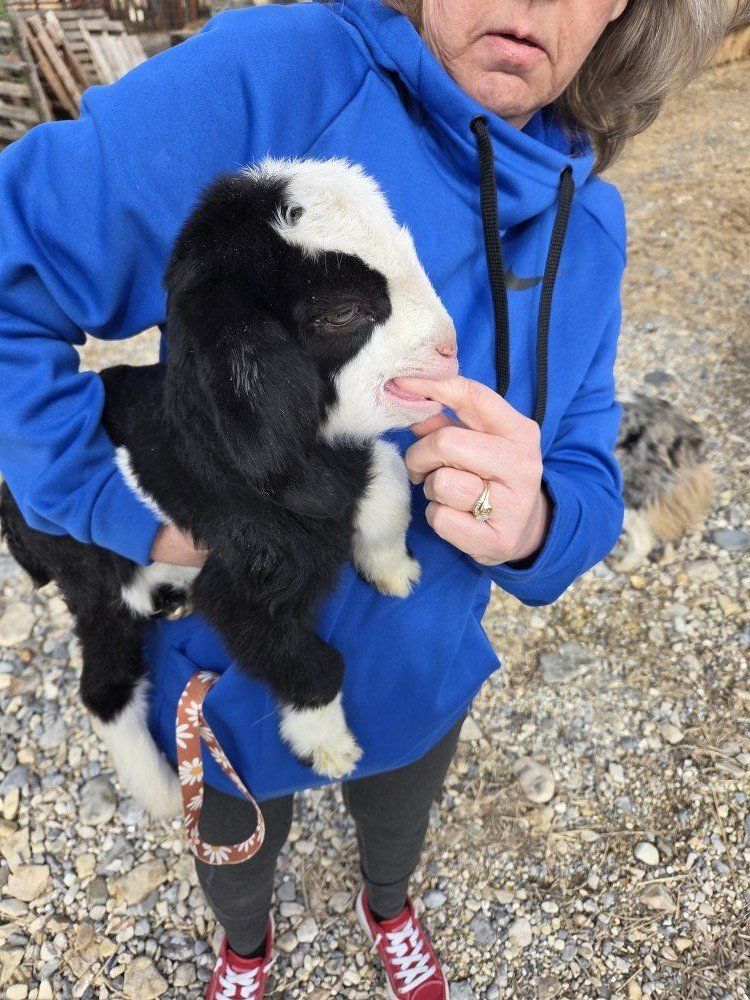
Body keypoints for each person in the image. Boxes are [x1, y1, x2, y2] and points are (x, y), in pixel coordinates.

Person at [0, 1, 743, 997]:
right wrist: (112, 507)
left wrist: (535, 526)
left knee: (397, 822)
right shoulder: (280, 78)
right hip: (227, 677)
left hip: (421, 677)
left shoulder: (591, 224)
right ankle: (246, 948)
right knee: (238, 860)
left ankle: (387, 905)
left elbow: (585, 473)